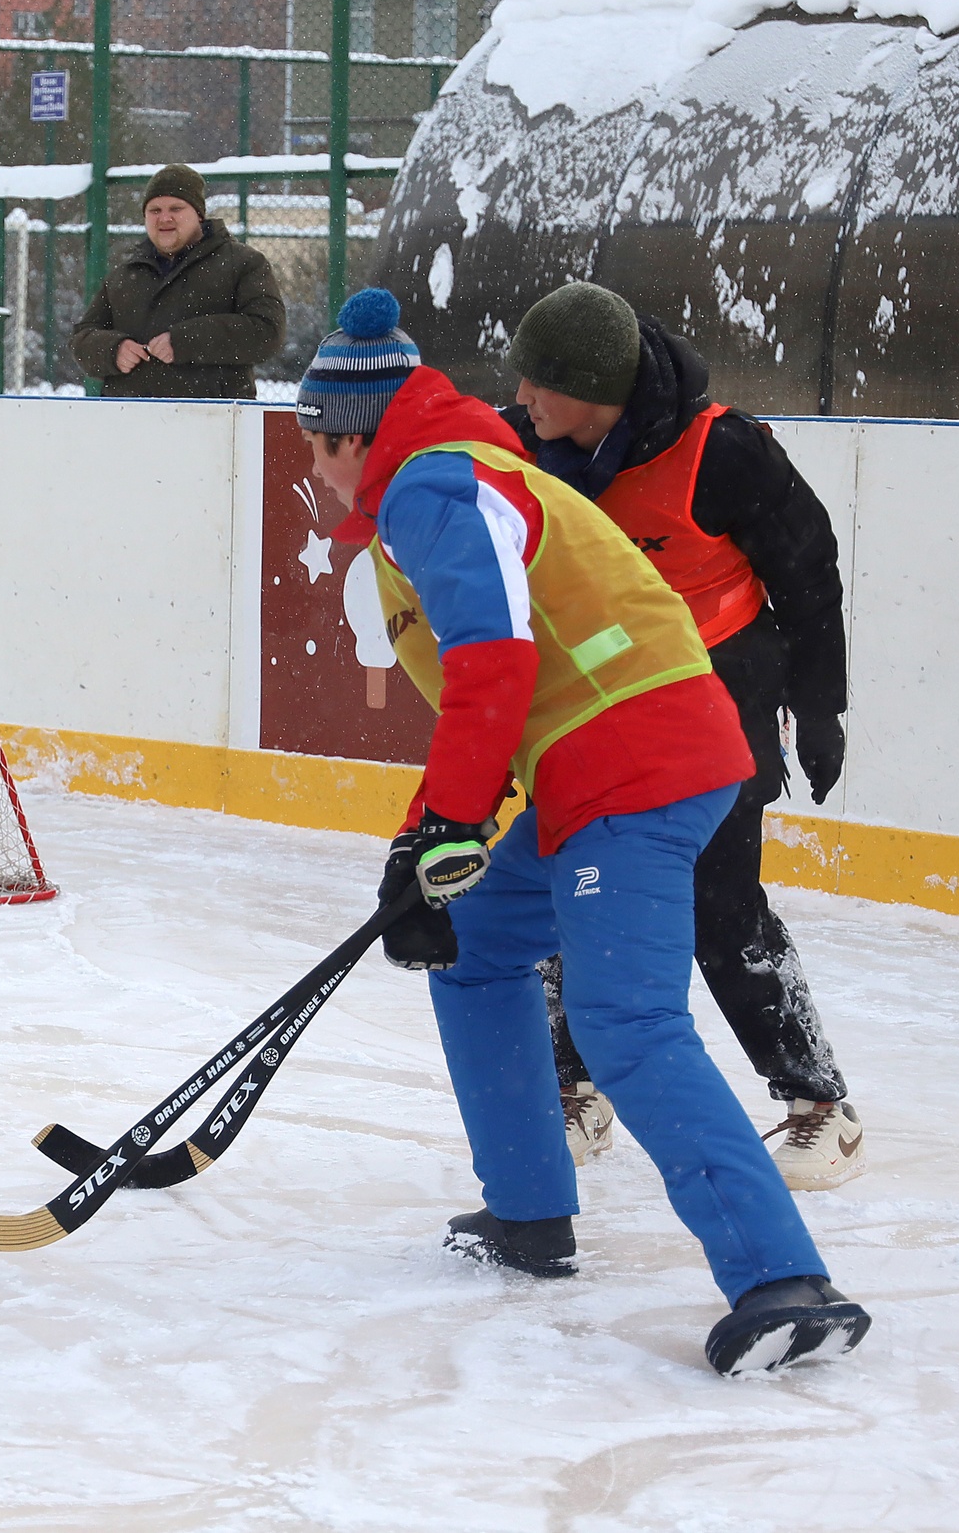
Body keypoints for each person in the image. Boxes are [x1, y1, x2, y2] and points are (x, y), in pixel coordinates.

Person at [297, 287, 868, 1375]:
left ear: (350, 435)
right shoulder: (458, 470)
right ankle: (527, 1213)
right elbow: (503, 686)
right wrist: (419, 845)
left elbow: (493, 665)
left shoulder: (428, 484)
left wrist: (452, 823)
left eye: (317, 446)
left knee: (626, 1022)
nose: (316, 472)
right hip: (600, 767)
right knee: (472, 947)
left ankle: (782, 1280)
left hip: (636, 766)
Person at [498, 281, 863, 1192]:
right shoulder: (524, 444)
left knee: (718, 901)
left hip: (717, 696)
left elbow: (810, 573)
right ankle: (576, 1087)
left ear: (598, 390)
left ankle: (822, 1106)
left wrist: (820, 708)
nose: (523, 401)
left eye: (540, 384)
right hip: (592, 700)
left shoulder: (723, 452)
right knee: (571, 889)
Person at [69, 163, 286, 400]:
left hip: (215, 420)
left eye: (176, 208)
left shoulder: (243, 263)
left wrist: (185, 342)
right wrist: (113, 350)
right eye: (155, 210)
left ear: (199, 215)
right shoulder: (125, 273)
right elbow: (82, 338)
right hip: (129, 421)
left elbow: (267, 331)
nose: (164, 218)